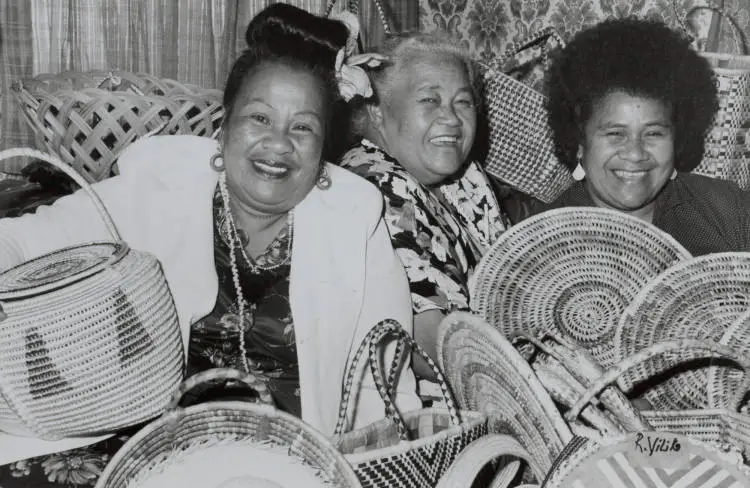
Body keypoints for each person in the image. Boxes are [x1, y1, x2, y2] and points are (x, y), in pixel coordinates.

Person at [0, 4, 420, 477]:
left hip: (291, 458)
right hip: (144, 440)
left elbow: (385, 382)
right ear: (224, 128)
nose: (278, 144)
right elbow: (20, 240)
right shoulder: (158, 189)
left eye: (302, 127)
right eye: (259, 119)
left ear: (323, 151)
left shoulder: (356, 222)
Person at [339, 31, 510, 380]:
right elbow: (428, 344)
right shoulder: (374, 185)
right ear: (376, 111)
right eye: (430, 100)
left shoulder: (465, 177)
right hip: (438, 401)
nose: (451, 118)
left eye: (463, 102)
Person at [536, 17, 750, 255]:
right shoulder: (544, 244)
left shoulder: (727, 209)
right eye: (616, 133)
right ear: (579, 141)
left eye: (654, 133)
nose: (635, 153)